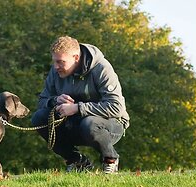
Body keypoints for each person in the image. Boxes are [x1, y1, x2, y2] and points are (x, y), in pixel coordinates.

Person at [31, 36, 130, 173]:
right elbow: (42, 101)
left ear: (76, 58)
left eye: (60, 62)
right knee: (38, 118)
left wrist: (77, 108)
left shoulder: (102, 69)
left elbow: (116, 107)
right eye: (54, 62)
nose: (56, 67)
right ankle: (77, 161)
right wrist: (55, 100)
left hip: (109, 124)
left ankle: (110, 160)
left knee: (89, 124)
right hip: (74, 123)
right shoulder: (55, 72)